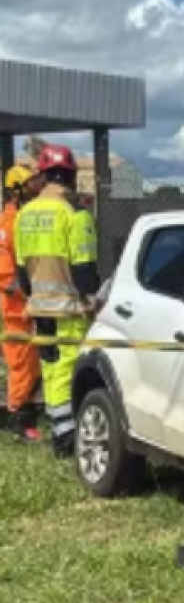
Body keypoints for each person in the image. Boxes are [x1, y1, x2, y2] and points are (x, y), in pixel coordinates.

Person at [15, 144, 102, 458]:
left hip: (39, 308)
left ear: (43, 175)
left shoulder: (24, 214)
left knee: (51, 373)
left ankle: (60, 433)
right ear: (71, 175)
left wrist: (36, 297)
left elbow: (22, 272)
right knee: (73, 371)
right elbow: (84, 271)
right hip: (69, 310)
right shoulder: (75, 215)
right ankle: (69, 439)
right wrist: (94, 301)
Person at [0, 164, 43, 442]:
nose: (36, 189)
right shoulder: (10, 222)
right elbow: (6, 272)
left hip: (23, 300)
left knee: (32, 358)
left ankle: (23, 407)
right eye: (30, 185)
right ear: (16, 190)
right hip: (14, 304)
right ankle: (17, 417)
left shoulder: (21, 217)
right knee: (22, 362)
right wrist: (21, 291)